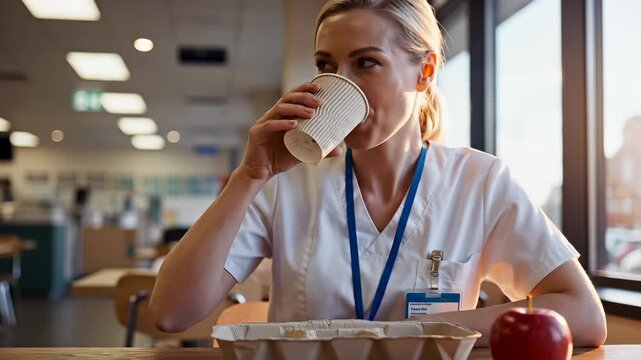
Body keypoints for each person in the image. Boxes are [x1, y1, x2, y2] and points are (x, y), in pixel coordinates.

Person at [150, 0, 606, 346]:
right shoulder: (285, 181)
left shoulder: (479, 182)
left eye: (366, 62)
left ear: (424, 72)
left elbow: (584, 315)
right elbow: (171, 313)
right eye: (326, 66)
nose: (340, 83)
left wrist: (412, 331)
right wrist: (250, 175)